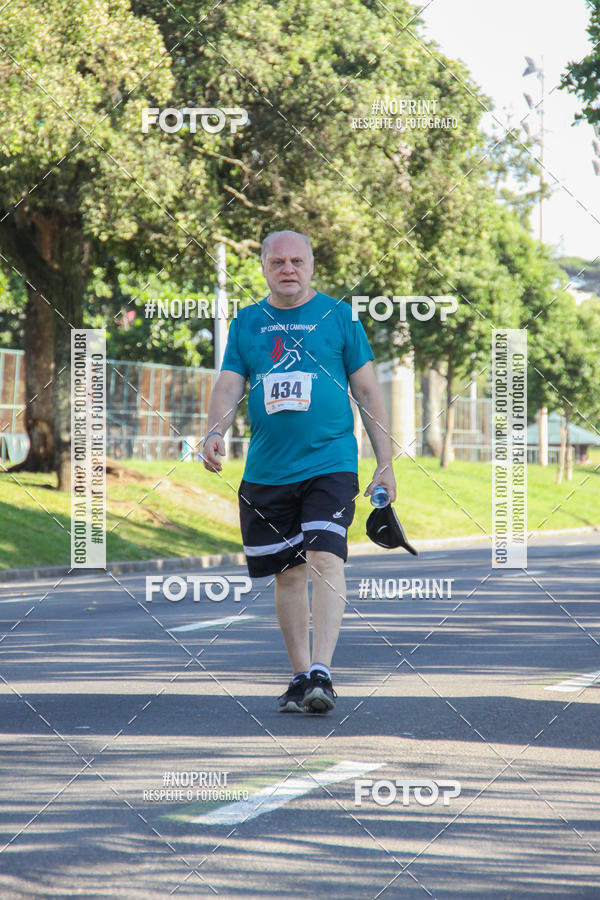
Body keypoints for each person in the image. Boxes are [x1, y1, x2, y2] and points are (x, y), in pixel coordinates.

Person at [203, 230, 395, 714]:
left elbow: (369, 393)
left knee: (326, 559)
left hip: (330, 463)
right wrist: (214, 431)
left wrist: (385, 464)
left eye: (297, 261)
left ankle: (323, 674)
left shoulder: (340, 316)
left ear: (312, 265)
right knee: (287, 574)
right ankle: (299, 676)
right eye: (277, 261)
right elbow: (228, 386)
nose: (288, 269)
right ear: (264, 267)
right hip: (267, 470)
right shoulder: (247, 322)